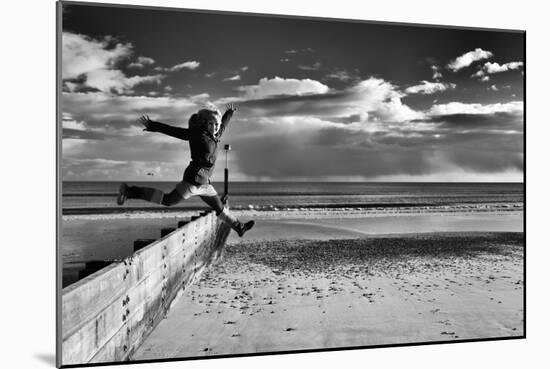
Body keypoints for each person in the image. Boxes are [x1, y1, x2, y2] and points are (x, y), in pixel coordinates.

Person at [116, 103, 254, 237]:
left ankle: (239, 228)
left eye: (216, 124)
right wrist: (152, 125)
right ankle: (129, 191)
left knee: (220, 209)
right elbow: (174, 131)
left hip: (205, 184)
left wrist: (229, 113)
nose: (215, 127)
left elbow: (223, 125)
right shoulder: (198, 135)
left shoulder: (216, 135)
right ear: (204, 123)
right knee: (168, 200)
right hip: (193, 181)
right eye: (211, 124)